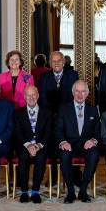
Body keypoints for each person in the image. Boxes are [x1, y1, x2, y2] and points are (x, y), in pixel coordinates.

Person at [56, 80, 100, 203]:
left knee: (94, 154)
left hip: (86, 144)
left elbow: (98, 131)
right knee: (64, 155)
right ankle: (70, 192)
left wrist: (93, 140)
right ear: (72, 92)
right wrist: (63, 142)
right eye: (77, 91)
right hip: (69, 143)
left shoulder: (93, 110)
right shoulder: (64, 109)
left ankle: (83, 190)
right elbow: (58, 130)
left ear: (87, 93)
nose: (80, 95)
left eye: (83, 91)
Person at [39, 51, 79, 185]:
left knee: (71, 145)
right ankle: (53, 177)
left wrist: (63, 114)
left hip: (68, 117)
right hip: (50, 116)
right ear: (50, 63)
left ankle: (74, 176)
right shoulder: (44, 76)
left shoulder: (73, 75)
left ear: (63, 62)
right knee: (52, 148)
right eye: (53, 61)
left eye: (59, 61)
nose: (56, 63)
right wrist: (52, 115)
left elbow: (75, 97)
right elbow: (43, 98)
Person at [15, 85, 52, 203]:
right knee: (23, 157)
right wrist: (28, 145)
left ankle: (35, 191)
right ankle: (24, 191)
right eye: (28, 95)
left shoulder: (47, 113)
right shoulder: (18, 113)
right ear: (24, 97)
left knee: (41, 157)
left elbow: (48, 132)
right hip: (24, 145)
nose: (31, 97)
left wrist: (38, 145)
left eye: (33, 95)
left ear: (38, 96)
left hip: (40, 145)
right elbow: (17, 132)